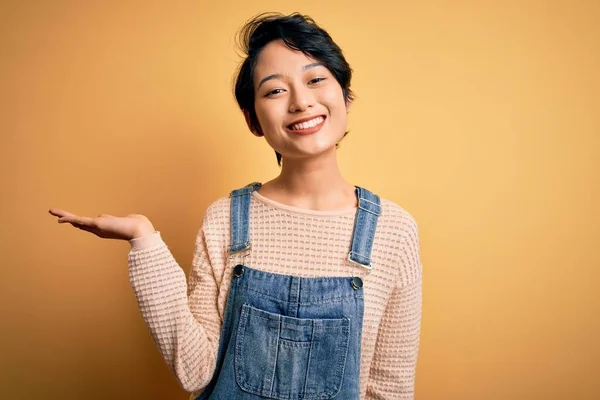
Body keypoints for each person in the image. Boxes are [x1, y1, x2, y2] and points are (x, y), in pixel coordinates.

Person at [49, 12, 423, 400]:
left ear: (344, 96)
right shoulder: (225, 219)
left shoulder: (393, 231)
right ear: (253, 120)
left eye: (315, 80)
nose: (301, 102)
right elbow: (196, 373)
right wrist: (144, 241)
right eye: (275, 90)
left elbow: (391, 389)